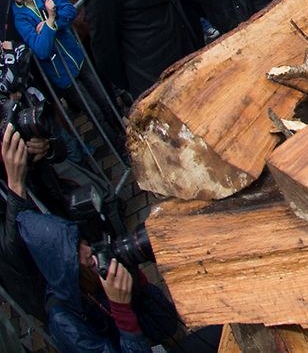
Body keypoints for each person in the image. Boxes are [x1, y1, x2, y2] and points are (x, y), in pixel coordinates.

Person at [3, 126, 182, 353]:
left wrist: (136, 283)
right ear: (66, 269)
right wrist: (122, 312)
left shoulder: (92, 276)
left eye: (83, 242)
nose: (89, 251)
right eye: (78, 252)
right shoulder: (66, 324)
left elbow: (167, 325)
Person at [4, 0, 85, 92]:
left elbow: (69, 10)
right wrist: (50, 21)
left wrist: (54, 23)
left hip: (77, 56)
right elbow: (41, 50)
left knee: (104, 100)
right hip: (61, 73)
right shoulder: (19, 18)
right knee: (92, 110)